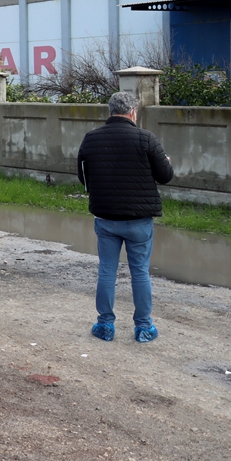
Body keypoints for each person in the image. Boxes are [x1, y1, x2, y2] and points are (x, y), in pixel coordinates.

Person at [76, 90, 173, 344]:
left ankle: (105, 325)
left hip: (106, 218)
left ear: (110, 112)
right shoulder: (146, 138)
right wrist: (166, 161)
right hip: (139, 220)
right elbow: (165, 176)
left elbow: (83, 177)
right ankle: (143, 328)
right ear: (133, 112)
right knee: (140, 272)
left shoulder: (91, 139)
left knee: (107, 270)